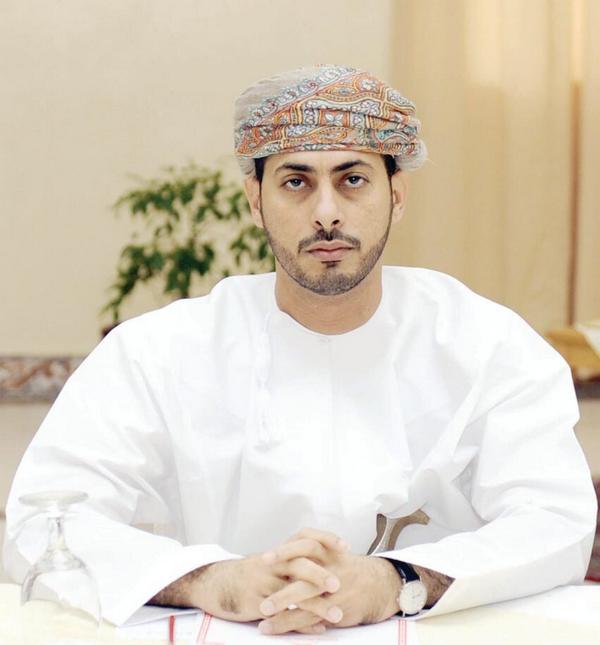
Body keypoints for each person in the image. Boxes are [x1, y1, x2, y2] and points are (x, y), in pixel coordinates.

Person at [3, 64, 597, 637]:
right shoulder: (157, 353)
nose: (327, 213)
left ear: (397, 194)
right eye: (296, 182)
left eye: (352, 179)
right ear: (255, 199)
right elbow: (42, 523)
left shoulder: (487, 344)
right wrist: (215, 580)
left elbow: (556, 521)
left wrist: (397, 582)